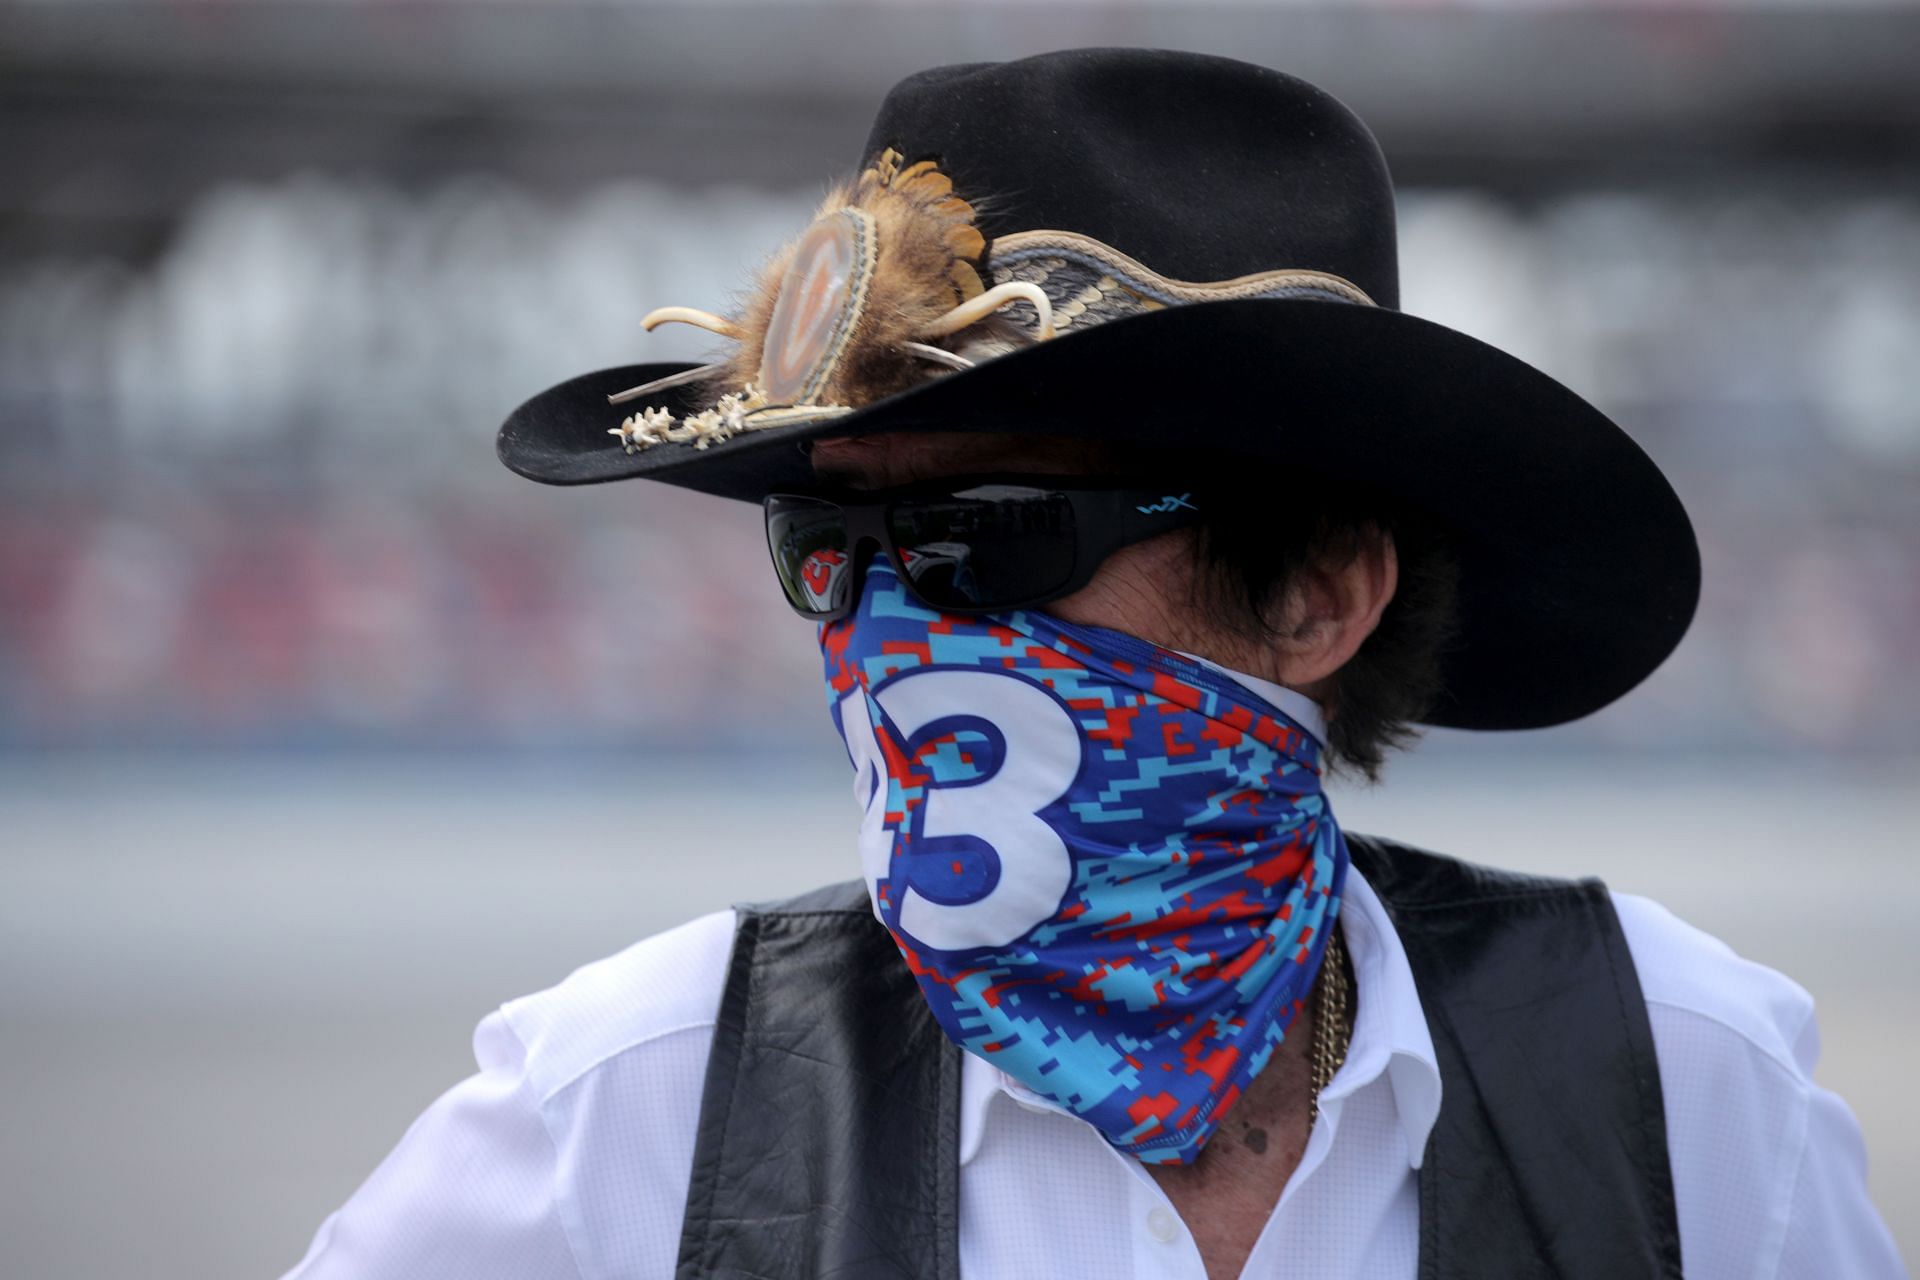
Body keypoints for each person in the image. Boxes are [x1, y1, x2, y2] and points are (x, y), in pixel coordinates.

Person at [282, 48, 1905, 1280]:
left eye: (990, 539)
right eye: (828, 551)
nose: (890, 631)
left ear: (1320, 596)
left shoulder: (1686, 1088)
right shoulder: (622, 1114)